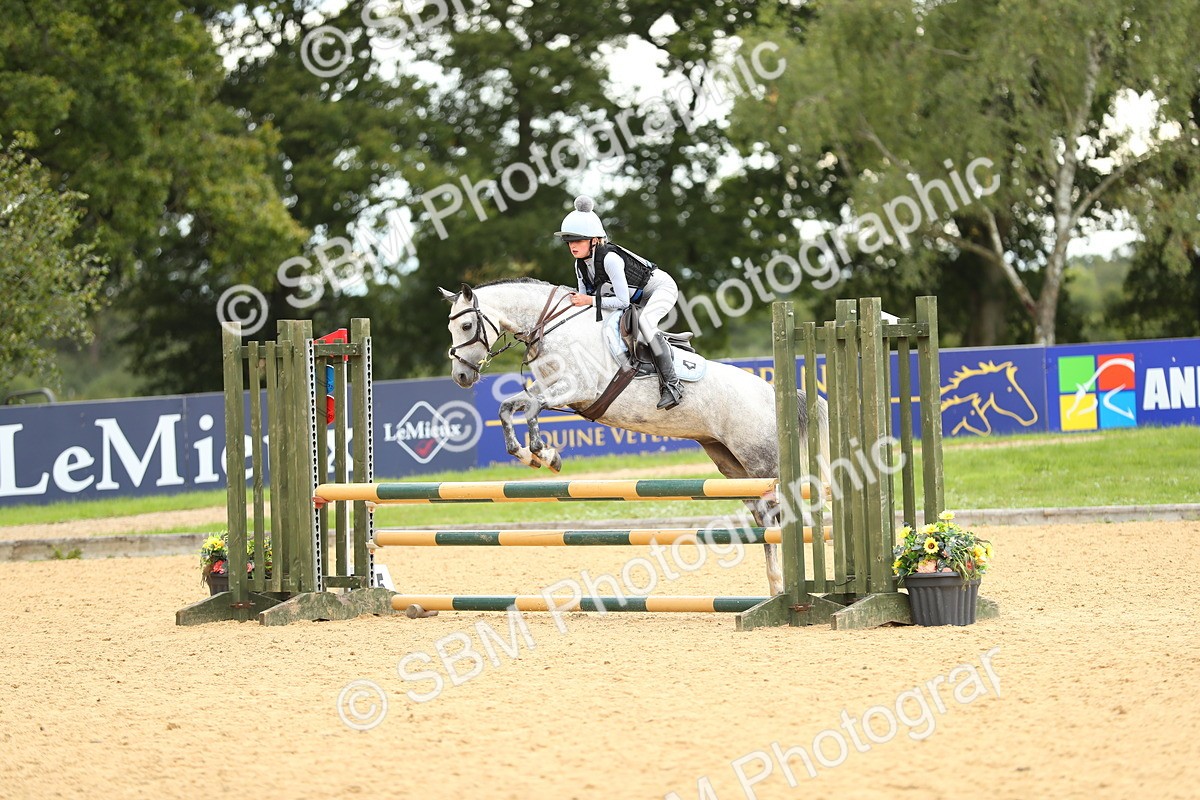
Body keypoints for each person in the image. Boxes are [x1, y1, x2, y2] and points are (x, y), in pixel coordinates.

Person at [553, 195, 683, 409]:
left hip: (660, 289)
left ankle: (672, 385)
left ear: (594, 240)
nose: (572, 246)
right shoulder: (580, 265)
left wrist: (588, 300)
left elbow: (621, 301)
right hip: (635, 297)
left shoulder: (610, 259)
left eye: (578, 240)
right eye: (569, 241)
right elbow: (586, 302)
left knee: (647, 323)